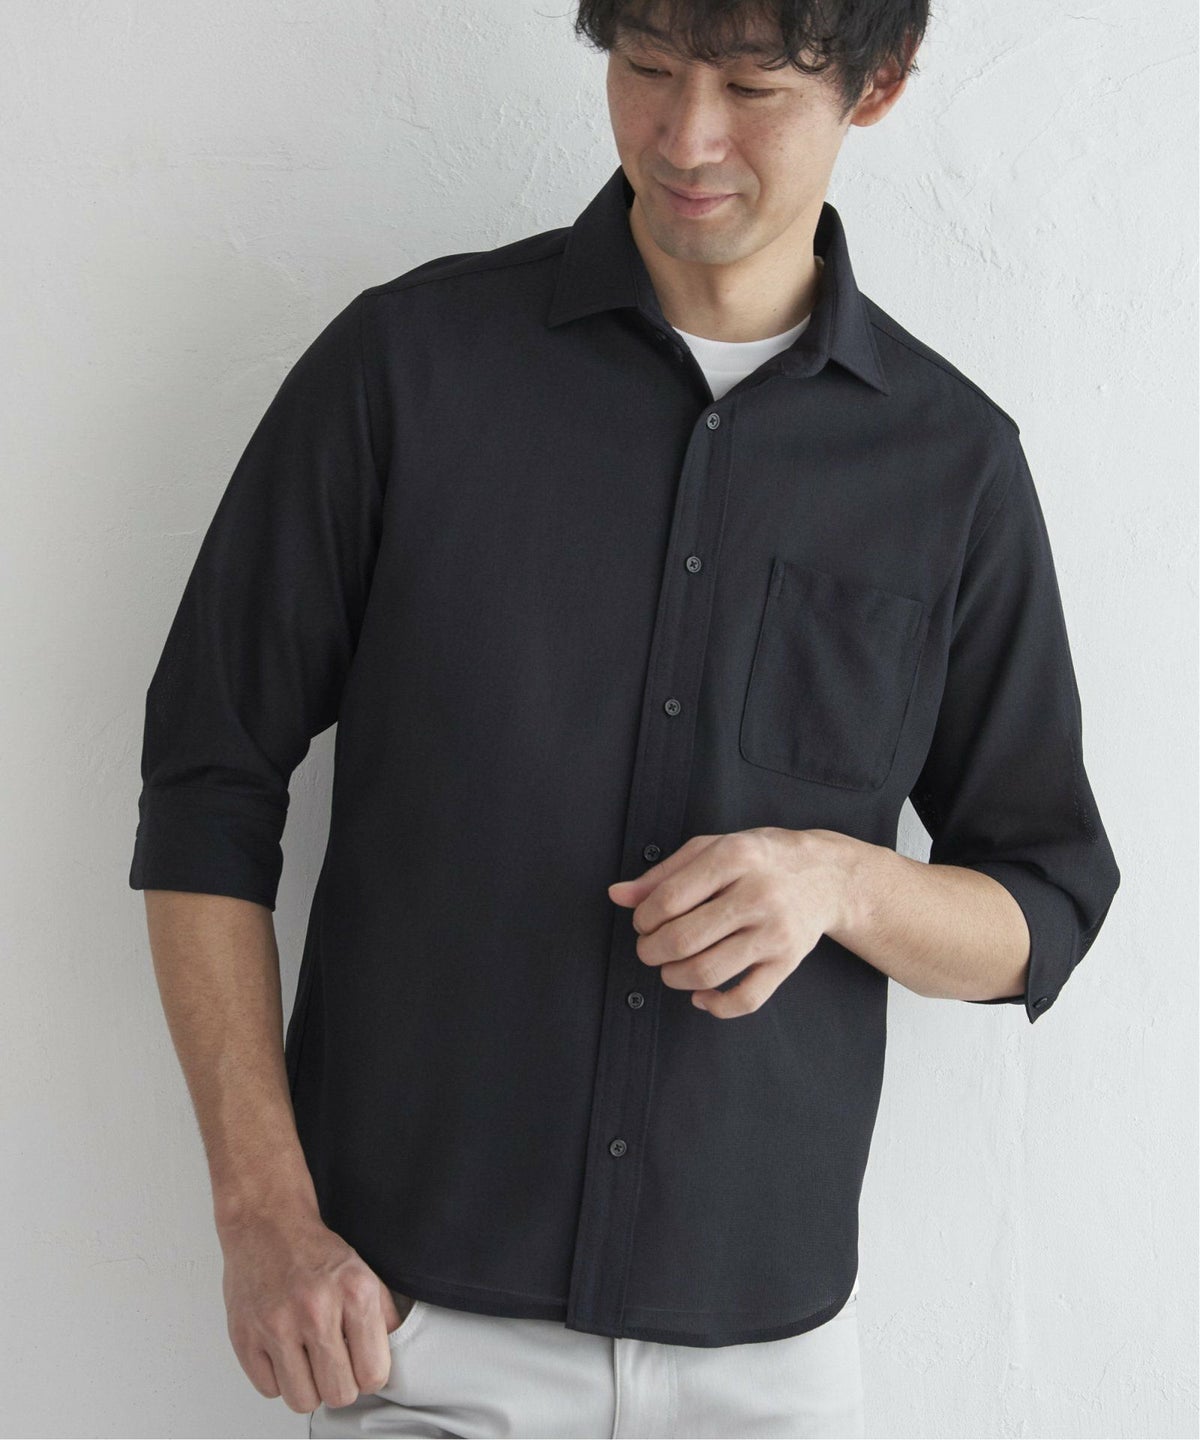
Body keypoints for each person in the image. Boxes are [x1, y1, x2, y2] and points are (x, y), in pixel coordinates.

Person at [129, 1, 1121, 1436]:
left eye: (753, 87)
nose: (685, 137)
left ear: (879, 85)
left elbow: (1047, 905)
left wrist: (840, 882)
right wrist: (261, 1213)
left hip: (766, 1360)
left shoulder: (953, 465)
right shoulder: (405, 367)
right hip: (415, 1335)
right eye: (647, 67)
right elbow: (205, 783)